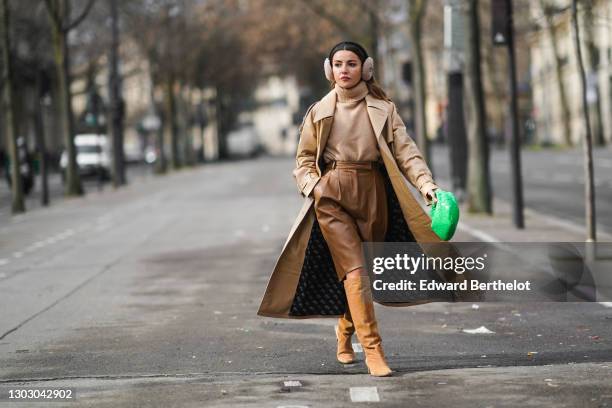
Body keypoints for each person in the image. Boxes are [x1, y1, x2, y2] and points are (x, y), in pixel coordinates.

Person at [257, 41, 441, 377]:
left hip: (374, 194)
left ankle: (344, 332)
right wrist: (315, 187)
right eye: (338, 64)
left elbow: (406, 152)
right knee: (355, 272)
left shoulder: (384, 109)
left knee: (363, 275)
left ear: (365, 69)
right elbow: (303, 160)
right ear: (330, 70)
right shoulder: (319, 111)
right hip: (332, 197)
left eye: (352, 63)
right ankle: (374, 352)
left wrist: (426, 184)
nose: (345, 70)